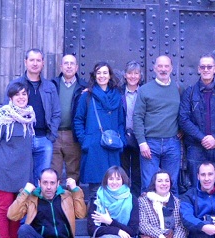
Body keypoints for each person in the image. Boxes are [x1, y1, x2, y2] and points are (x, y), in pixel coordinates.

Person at [0, 82, 36, 238]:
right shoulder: (3, 116)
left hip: (22, 173)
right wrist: (1, 161)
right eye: (17, 95)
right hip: (4, 170)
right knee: (4, 209)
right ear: (11, 98)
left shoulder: (29, 116)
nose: (21, 97)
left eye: (24, 94)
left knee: (18, 210)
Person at [179, 53, 215, 189]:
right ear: (198, 69)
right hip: (195, 147)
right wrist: (202, 138)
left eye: (209, 67)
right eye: (203, 67)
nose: (206, 70)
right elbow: (183, 119)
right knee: (195, 187)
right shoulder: (190, 92)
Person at [5, 48, 61, 185]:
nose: (35, 63)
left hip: (44, 139)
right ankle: (24, 206)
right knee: (22, 179)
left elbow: (56, 113)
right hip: (22, 139)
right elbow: (6, 110)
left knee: (42, 180)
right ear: (25, 62)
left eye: (38, 60)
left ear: (43, 63)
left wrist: (51, 136)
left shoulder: (50, 86)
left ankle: (38, 206)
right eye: (32, 60)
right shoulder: (15, 85)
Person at [74, 62, 126, 202]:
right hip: (94, 147)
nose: (102, 76)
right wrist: (86, 141)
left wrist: (122, 141)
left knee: (113, 188)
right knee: (95, 192)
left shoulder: (117, 96)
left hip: (113, 148)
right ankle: (94, 222)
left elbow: (121, 121)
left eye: (105, 73)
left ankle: (111, 223)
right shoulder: (87, 96)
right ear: (94, 75)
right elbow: (78, 120)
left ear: (110, 76)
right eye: (99, 73)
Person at [133, 55, 181, 195]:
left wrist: (182, 130)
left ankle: (173, 214)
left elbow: (185, 112)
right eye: (160, 66)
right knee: (149, 185)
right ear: (154, 68)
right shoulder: (145, 90)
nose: (163, 69)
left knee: (171, 184)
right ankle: (148, 215)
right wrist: (142, 143)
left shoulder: (179, 88)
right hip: (150, 144)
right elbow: (138, 116)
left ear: (171, 68)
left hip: (172, 143)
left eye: (166, 66)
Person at [51, 54, 87, 183]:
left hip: (73, 135)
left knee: (73, 173)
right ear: (61, 66)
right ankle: (57, 202)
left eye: (72, 63)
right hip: (54, 134)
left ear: (77, 67)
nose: (69, 66)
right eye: (66, 63)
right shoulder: (51, 85)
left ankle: (72, 201)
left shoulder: (84, 87)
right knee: (54, 173)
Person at [120, 61, 143, 197]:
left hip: (139, 137)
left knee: (137, 170)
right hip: (123, 135)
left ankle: (135, 198)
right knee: (122, 169)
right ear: (125, 75)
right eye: (130, 73)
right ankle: (123, 197)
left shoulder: (145, 92)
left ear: (140, 76)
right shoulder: (118, 92)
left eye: (136, 73)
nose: (133, 76)